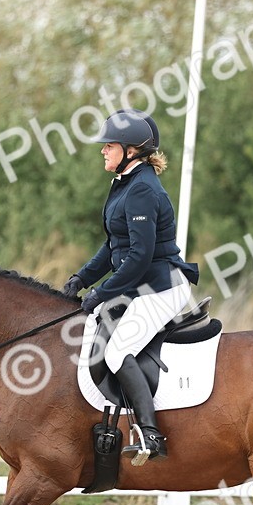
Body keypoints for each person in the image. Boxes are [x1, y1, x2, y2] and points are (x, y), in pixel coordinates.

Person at [63, 109, 200, 463]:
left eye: (109, 145)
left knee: (116, 351)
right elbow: (114, 245)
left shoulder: (142, 190)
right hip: (141, 285)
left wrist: (101, 293)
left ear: (131, 150)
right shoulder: (124, 183)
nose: (103, 150)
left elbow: (139, 257)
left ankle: (151, 436)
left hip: (162, 287)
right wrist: (82, 278)